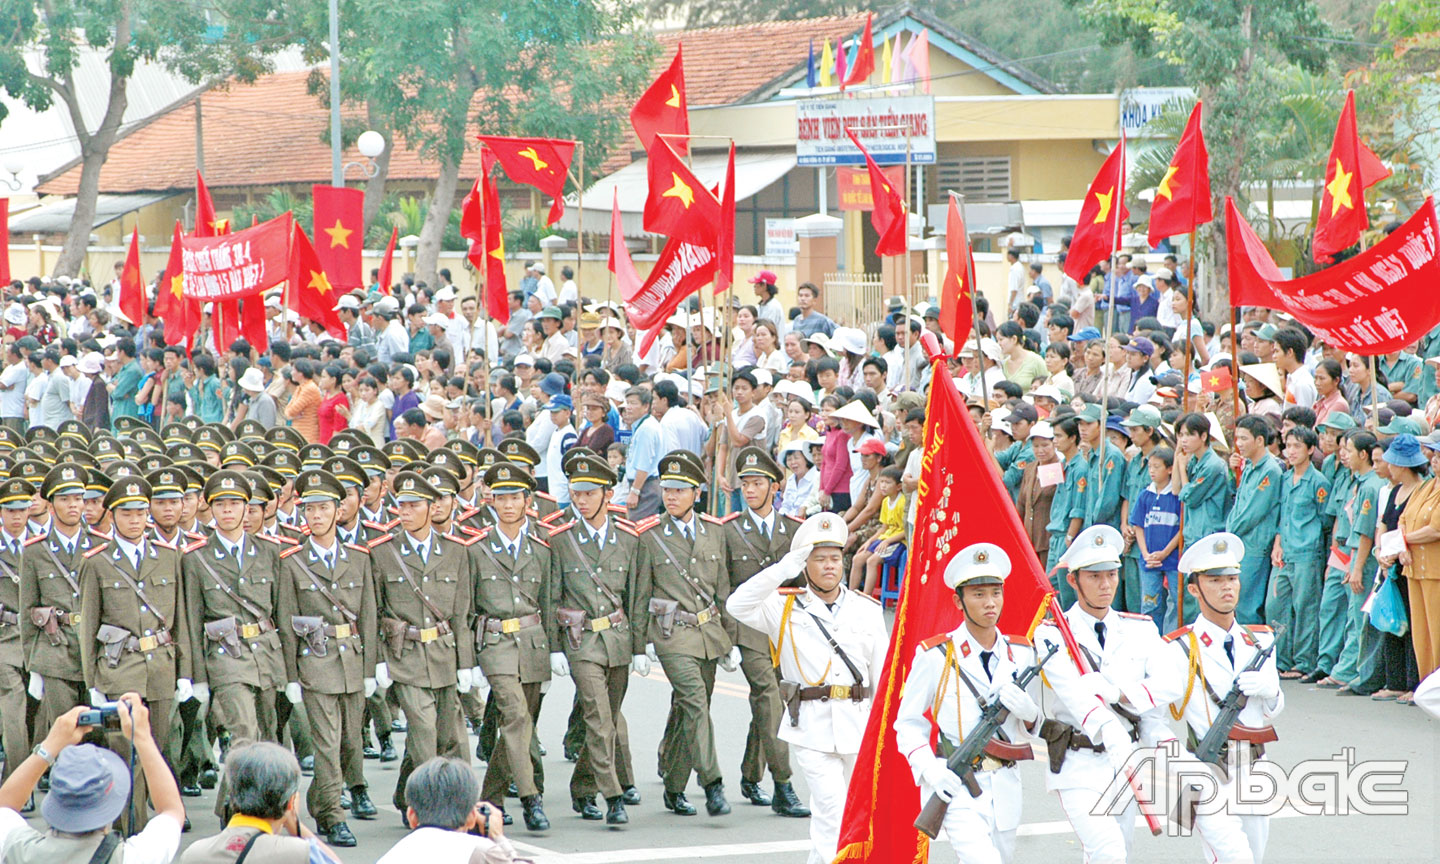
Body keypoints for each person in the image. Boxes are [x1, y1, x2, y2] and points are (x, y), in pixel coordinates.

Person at [726, 511, 887, 864]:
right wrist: (782, 570)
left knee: (858, 815)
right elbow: (736, 605)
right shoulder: (783, 608)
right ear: (804, 564)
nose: (829, 566)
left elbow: (881, 678)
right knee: (831, 809)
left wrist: (883, 734)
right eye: (819, 559)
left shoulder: (867, 611)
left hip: (858, 724)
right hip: (811, 725)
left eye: (835, 558)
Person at [894, 542, 1041, 864]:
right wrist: (930, 769)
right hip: (957, 783)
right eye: (978, 595)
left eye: (995, 593)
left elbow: (1035, 728)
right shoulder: (936, 656)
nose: (990, 603)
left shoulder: (1022, 653)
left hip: (1005, 786)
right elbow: (907, 724)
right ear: (957, 601)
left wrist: (1030, 714)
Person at [1032, 525, 1168, 864]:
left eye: (1111, 574)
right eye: (1094, 577)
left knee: (1116, 852)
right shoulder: (1052, 634)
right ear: (1074, 581)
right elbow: (1073, 693)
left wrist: (1123, 698)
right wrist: (1106, 725)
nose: (1105, 584)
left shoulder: (1141, 629)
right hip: (1078, 759)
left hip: (1127, 759)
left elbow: (1162, 691)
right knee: (1107, 850)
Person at [1154, 532, 1283, 864]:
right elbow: (1154, 721)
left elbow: (1273, 709)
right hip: (1211, 772)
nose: (1227, 587)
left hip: (1255, 768)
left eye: (1232, 578)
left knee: (1255, 855)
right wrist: (1186, 769)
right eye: (1215, 580)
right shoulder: (1178, 648)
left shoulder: (1261, 640)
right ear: (1195, 588)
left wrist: (1271, 692)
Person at [78, 476, 195, 834]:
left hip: (160, 666)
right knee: (124, 753)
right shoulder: (97, 563)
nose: (135, 520)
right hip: (119, 670)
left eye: (141, 512)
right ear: (112, 516)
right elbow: (89, 626)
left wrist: (186, 672)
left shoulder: (171, 557)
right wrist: (92, 681)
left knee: (156, 750)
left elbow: (183, 620)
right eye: (127, 513)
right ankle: (129, 831)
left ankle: (152, 825)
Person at [634, 450, 737, 817]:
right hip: (670, 633)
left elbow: (722, 588)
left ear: (697, 492)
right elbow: (640, 594)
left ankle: (674, 786)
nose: (671, 496)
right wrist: (639, 644)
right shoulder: (649, 536)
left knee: (688, 710)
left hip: (709, 632)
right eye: (666, 489)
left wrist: (730, 638)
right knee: (694, 701)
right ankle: (712, 784)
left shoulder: (715, 530)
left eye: (680, 490)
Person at [368, 471, 476, 821]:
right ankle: (430, 811)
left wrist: (466, 664)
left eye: (415, 505)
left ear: (432, 508)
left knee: (447, 738)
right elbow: (374, 611)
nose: (406, 511)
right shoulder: (383, 552)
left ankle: (405, 792)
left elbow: (462, 612)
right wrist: (378, 662)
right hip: (406, 657)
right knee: (424, 733)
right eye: (402, 505)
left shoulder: (456, 551)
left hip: (444, 655)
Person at [546, 454, 642, 825]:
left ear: (608, 493)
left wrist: (639, 646)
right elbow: (553, 596)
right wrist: (555, 649)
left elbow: (636, 595)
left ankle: (583, 787)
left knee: (607, 717)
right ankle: (612, 794)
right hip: (580, 641)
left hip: (617, 637)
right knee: (599, 717)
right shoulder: (562, 540)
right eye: (576, 493)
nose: (581, 500)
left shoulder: (628, 539)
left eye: (589, 493)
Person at [715, 447, 809, 818]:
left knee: (768, 703)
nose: (750, 490)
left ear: (775, 487)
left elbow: (804, 584)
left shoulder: (795, 530)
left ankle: (751, 773)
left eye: (757, 483)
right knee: (770, 696)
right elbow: (722, 586)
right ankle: (783, 786)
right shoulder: (729, 531)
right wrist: (727, 636)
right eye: (745, 484)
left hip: (785, 628)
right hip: (748, 628)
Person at [466, 462, 551, 830]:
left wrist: (556, 652)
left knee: (519, 724)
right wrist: (467, 661)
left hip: (532, 644)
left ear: (527, 500)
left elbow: (548, 602)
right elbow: (466, 608)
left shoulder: (541, 549)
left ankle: (490, 798)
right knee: (515, 715)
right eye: (501, 498)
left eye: (515, 497)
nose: (508, 504)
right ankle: (532, 797)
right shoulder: (476, 548)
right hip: (495, 642)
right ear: (491, 501)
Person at [0, 697, 183, 863]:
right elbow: (171, 810)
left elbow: (4, 806)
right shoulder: (131, 858)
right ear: (110, 806)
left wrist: (50, 746)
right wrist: (143, 738)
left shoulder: (20, 851)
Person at [20, 463, 101, 731]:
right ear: (51, 506)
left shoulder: (101, 545)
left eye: (78, 498)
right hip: (56, 649)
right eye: (65, 499)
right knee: (64, 729)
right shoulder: (35, 551)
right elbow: (28, 610)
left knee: (99, 731)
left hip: (95, 649)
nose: (73, 505)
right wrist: (34, 665)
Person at [179, 740, 343, 863]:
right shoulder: (300, 853)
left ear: (233, 794)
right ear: (290, 803)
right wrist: (295, 824)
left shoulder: (193, 854)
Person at [377, 757, 516, 863]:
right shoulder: (478, 851)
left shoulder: (391, 857)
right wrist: (498, 837)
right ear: (472, 817)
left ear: (411, 816)